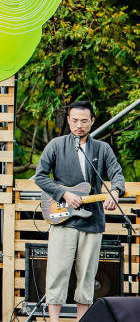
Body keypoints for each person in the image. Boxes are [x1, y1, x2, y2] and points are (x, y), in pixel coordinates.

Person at [34, 101, 125, 322]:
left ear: (92, 121)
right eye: (74, 120)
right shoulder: (56, 145)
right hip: (63, 219)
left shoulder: (102, 148)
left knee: (87, 275)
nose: (79, 125)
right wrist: (64, 194)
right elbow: (40, 176)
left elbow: (117, 173)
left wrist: (115, 191)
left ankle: (81, 321)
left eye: (84, 121)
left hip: (92, 221)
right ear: (68, 121)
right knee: (57, 272)